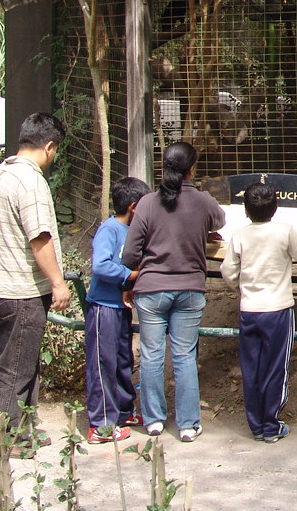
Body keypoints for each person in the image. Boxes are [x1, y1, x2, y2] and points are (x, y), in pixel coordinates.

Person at [0, 112, 71, 456]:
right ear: (48, 146)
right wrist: (58, 283)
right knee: (14, 367)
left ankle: (23, 428)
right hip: (21, 291)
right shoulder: (30, 182)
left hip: (1, 285)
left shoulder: (5, 171)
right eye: (55, 150)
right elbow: (40, 238)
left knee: (20, 361)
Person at [121, 141, 225, 443]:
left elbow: (130, 253)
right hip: (190, 289)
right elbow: (220, 220)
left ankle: (153, 420)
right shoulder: (204, 201)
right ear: (192, 169)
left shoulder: (148, 204)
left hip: (151, 291)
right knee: (184, 356)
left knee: (152, 355)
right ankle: (189, 424)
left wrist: (129, 284)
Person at [220, 179, 297, 443]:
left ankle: (256, 425)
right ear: (275, 207)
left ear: (246, 210)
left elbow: (228, 271)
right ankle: (272, 425)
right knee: (276, 367)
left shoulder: (239, 235)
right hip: (278, 310)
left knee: (251, 368)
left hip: (249, 310)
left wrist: (241, 287)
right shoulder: (285, 231)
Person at [84, 176, 149, 444]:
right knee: (103, 364)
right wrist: (131, 275)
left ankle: (123, 411)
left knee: (123, 360)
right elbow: (100, 265)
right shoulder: (109, 230)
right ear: (134, 207)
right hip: (103, 307)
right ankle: (100, 424)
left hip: (121, 307)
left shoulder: (131, 232)